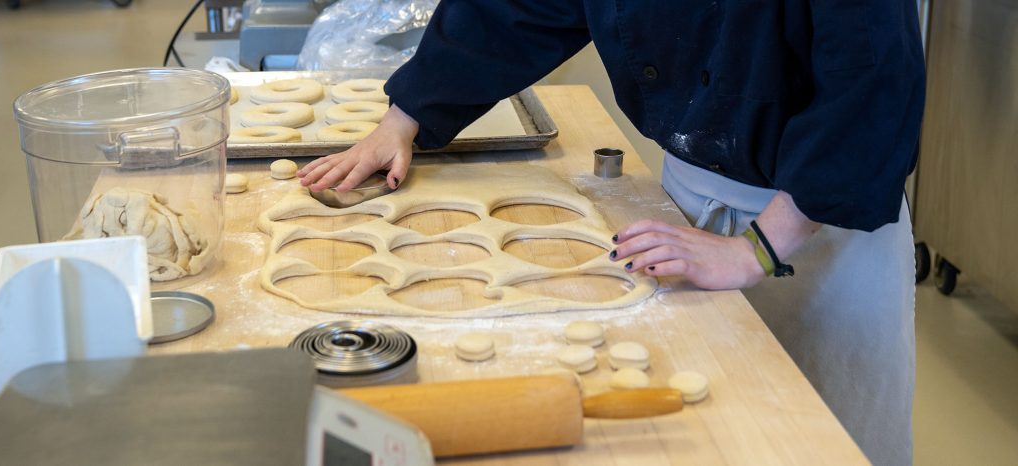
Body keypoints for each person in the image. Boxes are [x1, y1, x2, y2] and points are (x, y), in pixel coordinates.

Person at [298, 2, 925, 464]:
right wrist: (404, 118)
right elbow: (510, 7)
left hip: (819, 225)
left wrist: (757, 246)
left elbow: (871, 79)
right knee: (705, 439)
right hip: (686, 204)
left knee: (817, 444)